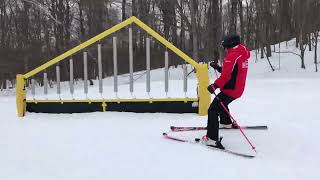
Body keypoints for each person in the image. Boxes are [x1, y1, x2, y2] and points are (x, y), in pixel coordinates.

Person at [201, 34, 251, 149]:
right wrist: (218, 68)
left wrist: (214, 85)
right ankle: (226, 123)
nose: (224, 49)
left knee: (213, 109)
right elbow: (232, 72)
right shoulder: (242, 54)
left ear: (229, 45)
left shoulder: (232, 56)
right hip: (238, 89)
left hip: (230, 89)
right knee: (222, 104)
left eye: (225, 46)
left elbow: (226, 76)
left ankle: (212, 139)